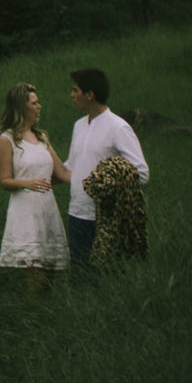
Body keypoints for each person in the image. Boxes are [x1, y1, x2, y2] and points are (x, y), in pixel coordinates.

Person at [63, 67, 149, 271]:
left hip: (106, 218)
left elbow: (142, 173)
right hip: (76, 213)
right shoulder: (79, 125)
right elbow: (71, 168)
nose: (72, 95)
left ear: (90, 95)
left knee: (106, 277)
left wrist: (109, 181)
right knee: (79, 275)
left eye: (75, 90)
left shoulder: (118, 127)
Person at [0, 82, 70, 292]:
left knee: (50, 272)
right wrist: (27, 183)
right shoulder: (8, 139)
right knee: (35, 275)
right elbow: (4, 180)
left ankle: (46, 314)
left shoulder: (42, 138)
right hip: (26, 211)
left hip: (47, 208)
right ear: (21, 108)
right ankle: (32, 311)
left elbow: (62, 173)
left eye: (38, 103)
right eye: (34, 103)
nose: (39, 107)